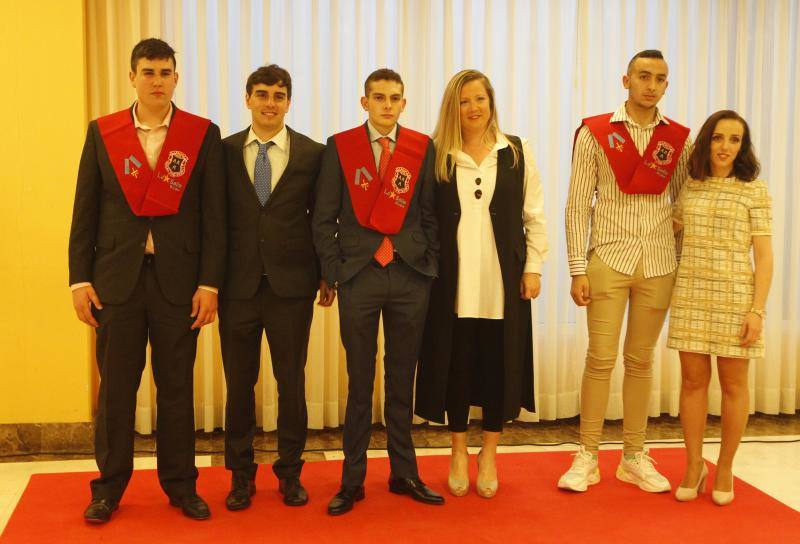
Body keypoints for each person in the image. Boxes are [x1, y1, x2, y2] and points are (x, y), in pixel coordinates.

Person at [68, 38, 225, 522]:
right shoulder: (104, 132)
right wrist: (78, 280)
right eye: (148, 72)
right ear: (132, 77)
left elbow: (214, 218)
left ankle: (181, 486)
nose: (157, 80)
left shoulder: (201, 134)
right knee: (116, 390)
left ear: (176, 78)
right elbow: (86, 211)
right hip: (116, 283)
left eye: (165, 72)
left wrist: (210, 284)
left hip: (180, 284)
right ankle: (108, 489)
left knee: (176, 388)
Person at [313, 68, 443, 515]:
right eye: (379, 97)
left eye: (395, 98)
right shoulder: (341, 147)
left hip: (409, 275)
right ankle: (352, 482)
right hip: (359, 276)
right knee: (359, 382)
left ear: (404, 104)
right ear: (364, 102)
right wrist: (333, 272)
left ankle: (404, 473)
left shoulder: (420, 149)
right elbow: (323, 216)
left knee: (401, 379)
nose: (387, 105)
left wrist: (429, 265)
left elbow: (430, 214)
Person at [560, 49, 691, 493]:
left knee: (640, 361)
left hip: (658, 263)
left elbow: (682, 206)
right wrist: (578, 267)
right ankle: (588, 455)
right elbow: (578, 205)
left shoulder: (678, 140)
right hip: (608, 260)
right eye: (643, 76)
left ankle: (634, 456)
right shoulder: (596, 134)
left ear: (666, 86)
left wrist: (681, 259)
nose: (651, 85)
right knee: (599, 359)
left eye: (659, 78)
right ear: (625, 80)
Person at [415, 69, 548, 498]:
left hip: (502, 283)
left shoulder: (517, 152)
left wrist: (533, 268)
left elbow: (534, 216)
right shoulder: (437, 154)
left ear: (491, 102)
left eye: (479, 99)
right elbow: (425, 221)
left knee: (497, 368)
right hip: (452, 284)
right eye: (463, 101)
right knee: (456, 365)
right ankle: (457, 451)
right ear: (452, 107)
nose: (473, 108)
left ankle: (489, 453)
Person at [219, 65, 332, 511]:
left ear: (289, 102)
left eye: (279, 95)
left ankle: (290, 473)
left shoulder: (313, 154)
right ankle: (241, 476)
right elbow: (214, 221)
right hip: (236, 288)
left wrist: (327, 273)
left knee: (291, 384)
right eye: (262, 94)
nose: (270, 103)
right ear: (247, 98)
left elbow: (322, 219)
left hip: (291, 287)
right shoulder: (223, 151)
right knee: (239, 387)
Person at [669, 110, 772, 506]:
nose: (725, 147)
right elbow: (667, 230)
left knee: (733, 385)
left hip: (735, 297)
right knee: (692, 382)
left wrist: (757, 310)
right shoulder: (691, 185)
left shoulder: (754, 190)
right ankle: (694, 465)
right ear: (706, 142)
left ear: (742, 147)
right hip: (692, 292)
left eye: (734, 140)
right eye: (718, 138)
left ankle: (725, 466)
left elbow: (763, 256)